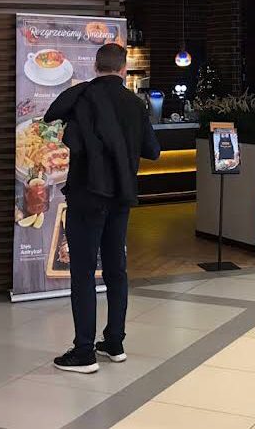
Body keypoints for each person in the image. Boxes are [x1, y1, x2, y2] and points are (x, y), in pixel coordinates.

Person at [44, 43, 160, 374]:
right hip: (121, 197)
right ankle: (115, 342)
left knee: (82, 272)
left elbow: (57, 122)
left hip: (87, 195)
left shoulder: (82, 97)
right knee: (116, 270)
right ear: (124, 69)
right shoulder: (135, 104)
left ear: (95, 67)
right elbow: (153, 150)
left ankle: (84, 351)